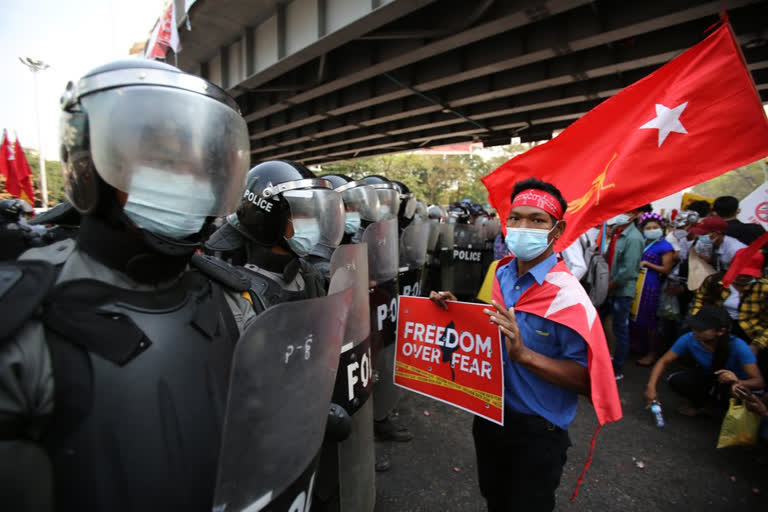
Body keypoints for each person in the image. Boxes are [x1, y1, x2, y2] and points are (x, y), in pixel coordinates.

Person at [0, 59, 254, 510]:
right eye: (158, 161)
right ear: (93, 168)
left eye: (197, 166)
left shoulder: (234, 303)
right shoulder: (24, 321)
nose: (183, 180)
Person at [430, 177, 619, 512]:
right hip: (488, 414)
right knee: (494, 498)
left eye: (537, 220)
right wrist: (453, 307)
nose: (523, 226)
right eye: (516, 218)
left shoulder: (569, 299)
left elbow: (586, 378)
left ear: (557, 230)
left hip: (537, 432)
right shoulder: (499, 271)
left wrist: (525, 356)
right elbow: (485, 318)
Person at [205, 160, 342, 311]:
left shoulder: (309, 276)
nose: (313, 222)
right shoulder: (232, 292)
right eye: (303, 213)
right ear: (271, 218)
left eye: (315, 214)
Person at [644, 305, 764, 417]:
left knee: (735, 392)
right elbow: (663, 361)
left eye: (702, 328)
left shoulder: (739, 346)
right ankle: (704, 406)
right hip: (712, 380)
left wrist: (737, 381)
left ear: (720, 331)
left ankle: (725, 411)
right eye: (695, 326)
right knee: (677, 380)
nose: (696, 331)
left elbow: (759, 382)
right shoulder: (690, 338)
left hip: (735, 387)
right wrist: (651, 387)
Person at [632, 213, 676, 367]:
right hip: (638, 283)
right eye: (648, 228)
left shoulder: (665, 246)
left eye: (655, 227)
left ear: (661, 228)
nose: (651, 230)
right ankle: (638, 346)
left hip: (651, 284)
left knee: (650, 319)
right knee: (636, 315)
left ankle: (652, 353)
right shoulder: (641, 242)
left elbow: (666, 269)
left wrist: (648, 264)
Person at [607, 208, 645, 380]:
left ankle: (617, 368)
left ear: (636, 215)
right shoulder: (617, 232)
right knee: (611, 326)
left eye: (628, 211)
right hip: (611, 286)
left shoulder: (634, 238)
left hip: (622, 290)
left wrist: (610, 285)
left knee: (620, 328)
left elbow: (628, 270)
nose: (622, 213)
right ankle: (611, 359)